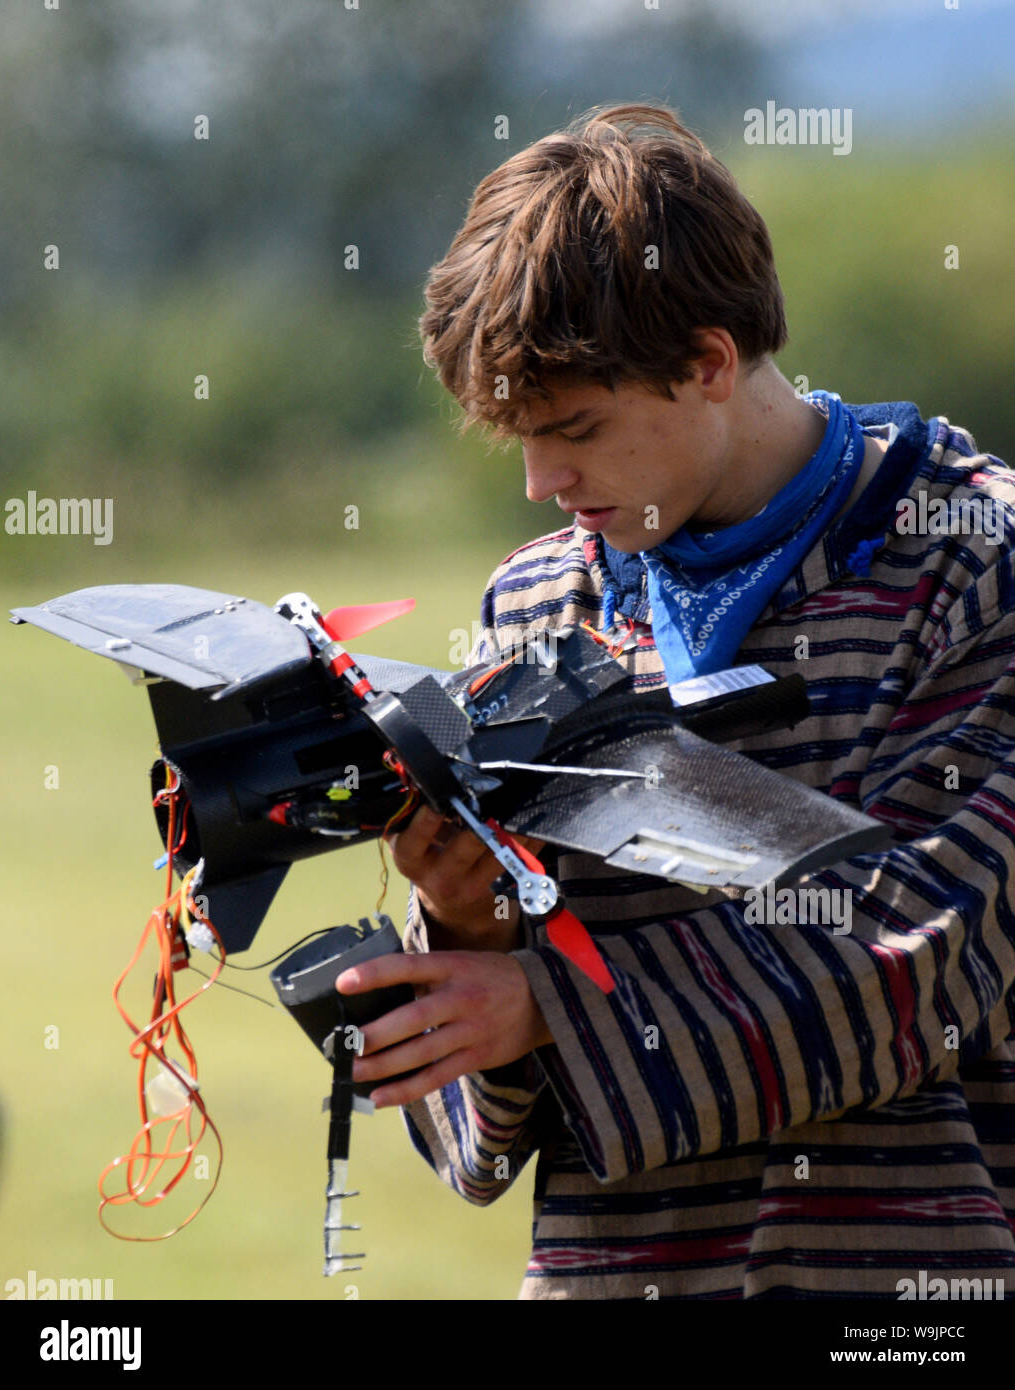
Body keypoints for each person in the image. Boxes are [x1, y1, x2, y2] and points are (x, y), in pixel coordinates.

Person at [334, 103, 1015, 1299]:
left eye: (578, 430)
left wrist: (551, 1003)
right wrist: (469, 923)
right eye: (521, 444)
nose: (546, 484)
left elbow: (934, 943)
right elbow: (485, 1138)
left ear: (705, 362)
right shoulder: (538, 604)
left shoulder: (969, 559)